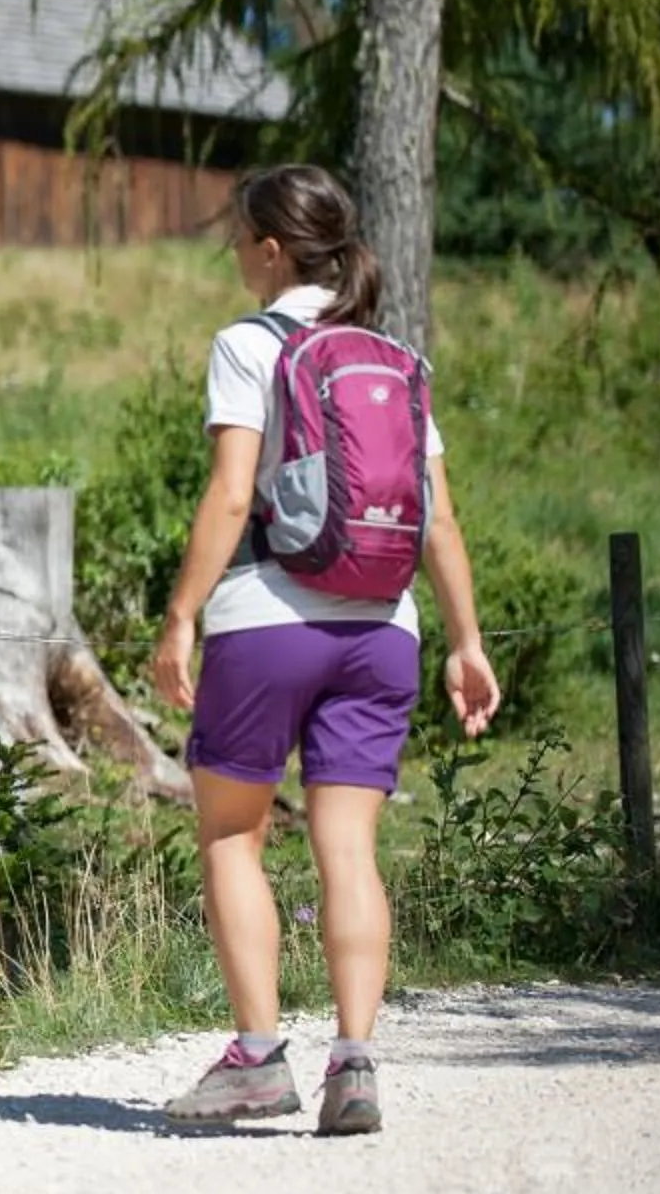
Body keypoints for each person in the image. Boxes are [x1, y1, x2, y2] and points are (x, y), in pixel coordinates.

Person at [149, 165, 499, 1135]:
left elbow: (229, 495)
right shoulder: (393, 355)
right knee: (350, 847)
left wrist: (180, 614)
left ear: (270, 249)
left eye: (237, 240)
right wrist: (466, 640)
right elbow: (439, 519)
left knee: (231, 833)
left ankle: (259, 1057)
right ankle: (355, 1064)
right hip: (385, 629)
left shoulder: (246, 345)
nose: (232, 255)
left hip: (268, 617)